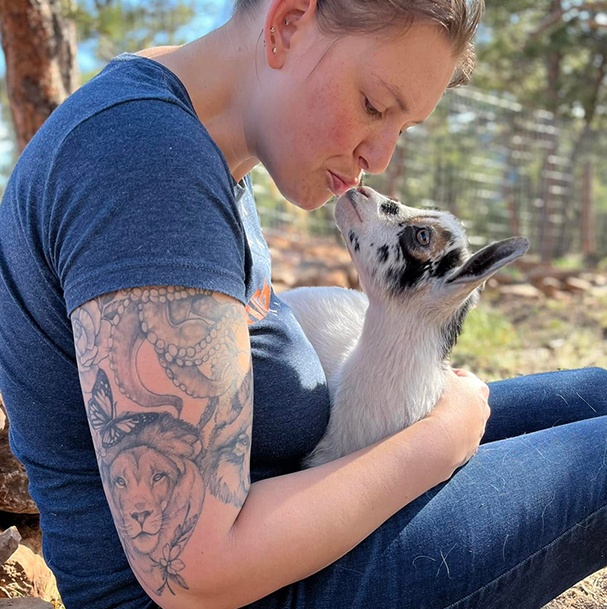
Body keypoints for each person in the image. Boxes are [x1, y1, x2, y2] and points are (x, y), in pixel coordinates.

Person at [0, 0, 605, 607]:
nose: (382, 158)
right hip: (251, 591)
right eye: (374, 105)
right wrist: (438, 441)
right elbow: (194, 573)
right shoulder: (147, 165)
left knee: (595, 395)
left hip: (295, 529)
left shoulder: (196, 146)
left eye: (404, 126)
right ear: (287, 24)